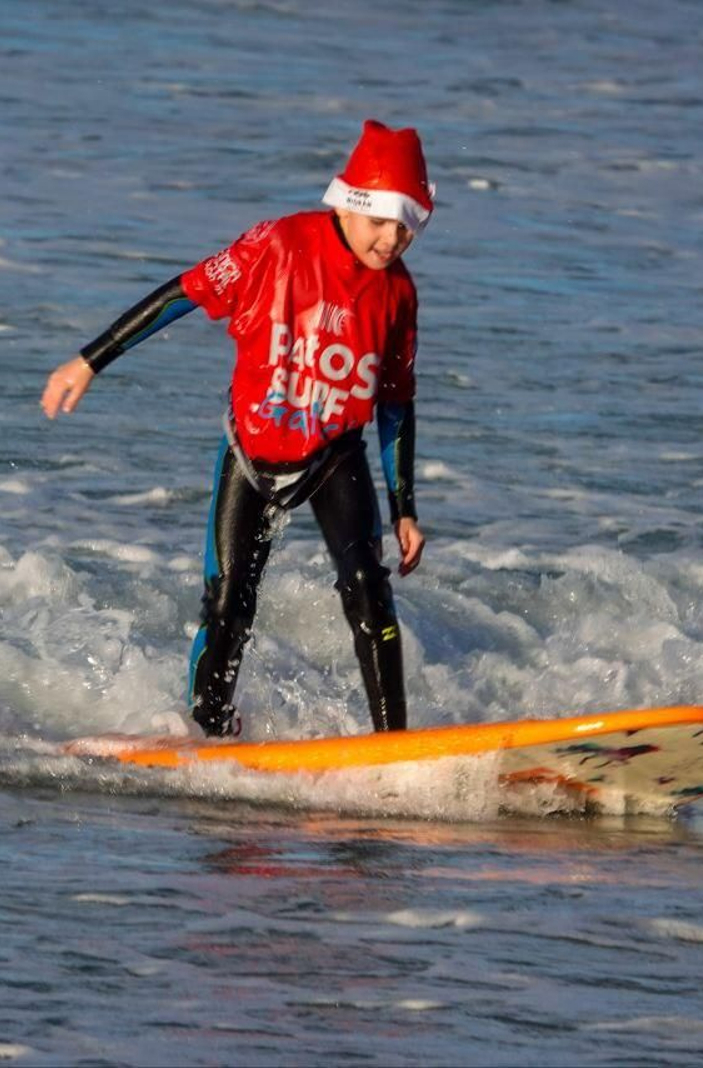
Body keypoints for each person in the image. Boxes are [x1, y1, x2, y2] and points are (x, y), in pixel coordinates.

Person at [41, 119, 433, 739]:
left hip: (335, 451)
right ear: (348, 204)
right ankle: (208, 735)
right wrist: (91, 359)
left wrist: (404, 505)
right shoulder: (278, 244)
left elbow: (395, 401)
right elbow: (183, 294)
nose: (390, 241)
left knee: (367, 590)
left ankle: (395, 745)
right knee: (228, 606)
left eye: (406, 227)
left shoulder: (398, 295)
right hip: (252, 451)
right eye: (379, 223)